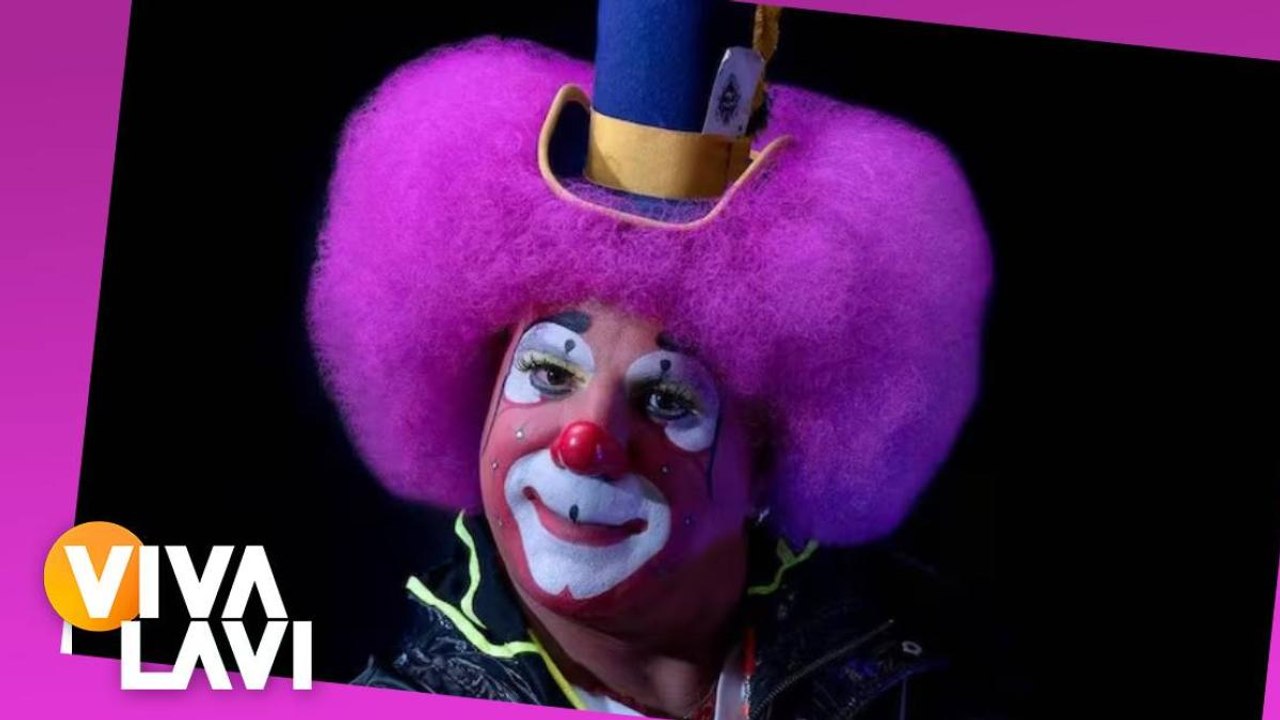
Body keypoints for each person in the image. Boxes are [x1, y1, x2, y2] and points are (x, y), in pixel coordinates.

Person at [307, 1, 992, 717]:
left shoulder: (937, 672)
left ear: (767, 455)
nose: (585, 442)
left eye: (667, 399)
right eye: (550, 374)